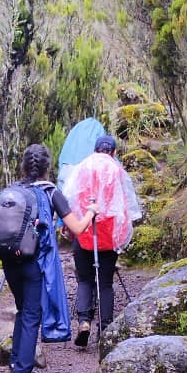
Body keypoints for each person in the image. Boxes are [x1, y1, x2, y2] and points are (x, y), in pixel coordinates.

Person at [3, 143, 98, 373]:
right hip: (34, 263)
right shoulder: (51, 192)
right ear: (48, 167)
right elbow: (77, 228)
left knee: (23, 311)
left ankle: (15, 364)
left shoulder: (13, 191)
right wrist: (91, 212)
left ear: (24, 166)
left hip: (10, 262)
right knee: (32, 314)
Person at [64, 134, 141, 347]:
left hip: (85, 231)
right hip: (109, 236)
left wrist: (70, 227)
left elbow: (70, 198)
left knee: (85, 279)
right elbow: (125, 206)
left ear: (95, 149)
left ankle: (84, 323)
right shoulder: (117, 170)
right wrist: (122, 236)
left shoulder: (82, 167)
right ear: (114, 152)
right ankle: (105, 329)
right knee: (105, 283)